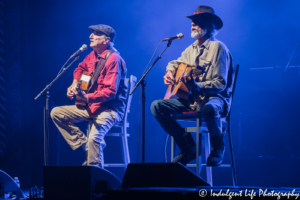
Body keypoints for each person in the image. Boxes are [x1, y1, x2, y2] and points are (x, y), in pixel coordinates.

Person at [151, 5, 234, 166]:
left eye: (197, 21)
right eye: (192, 21)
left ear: (209, 26)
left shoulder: (218, 48)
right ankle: (188, 146)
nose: (192, 24)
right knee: (157, 106)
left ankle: (218, 146)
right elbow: (175, 63)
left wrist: (196, 85)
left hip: (215, 99)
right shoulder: (191, 49)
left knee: (208, 109)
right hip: (193, 100)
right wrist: (169, 72)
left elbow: (220, 84)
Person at [51, 24, 127, 168]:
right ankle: (85, 146)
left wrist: (87, 97)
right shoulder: (92, 55)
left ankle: (95, 175)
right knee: (56, 113)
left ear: (106, 40)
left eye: (95, 34)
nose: (90, 36)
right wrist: (74, 84)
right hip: (90, 106)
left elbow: (110, 92)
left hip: (109, 109)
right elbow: (80, 68)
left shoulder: (114, 59)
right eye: (91, 33)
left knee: (95, 138)